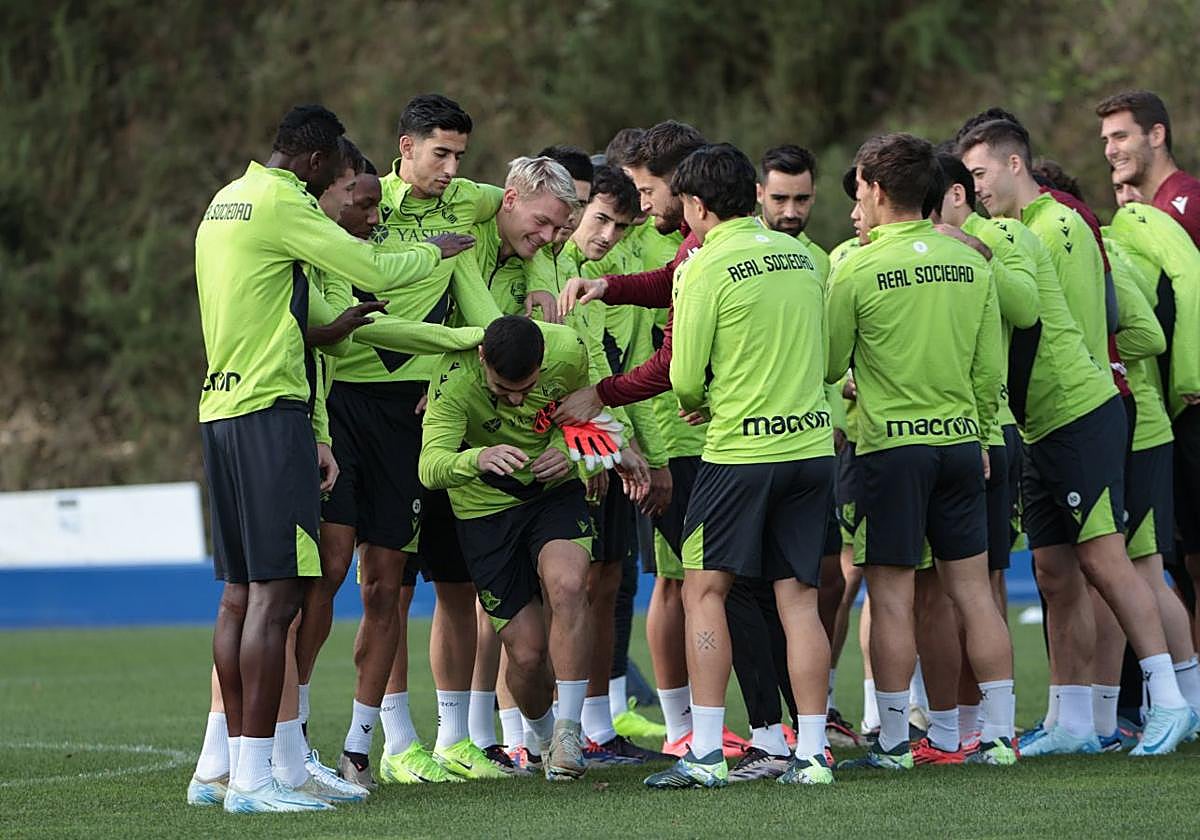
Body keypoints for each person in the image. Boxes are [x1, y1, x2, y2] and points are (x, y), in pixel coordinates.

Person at [194, 104, 472, 813]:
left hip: (225, 408)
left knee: (240, 594)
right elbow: (369, 263)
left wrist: (316, 426)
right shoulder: (283, 203)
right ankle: (254, 781)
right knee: (276, 594)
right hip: (267, 413)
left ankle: (237, 767)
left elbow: (292, 318)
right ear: (319, 163)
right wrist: (434, 252)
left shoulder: (227, 199)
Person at [959, 119, 1198, 755]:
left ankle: (1170, 703)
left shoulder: (1057, 221)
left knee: (1106, 560)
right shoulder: (1014, 230)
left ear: (1015, 164)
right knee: (1053, 570)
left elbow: (1080, 323)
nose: (976, 188)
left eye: (980, 174)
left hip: (1080, 413)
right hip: (1039, 422)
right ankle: (1072, 723)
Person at [642, 143, 836, 788]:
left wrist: (704, 402)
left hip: (740, 453)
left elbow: (685, 377)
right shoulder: (806, 259)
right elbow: (833, 361)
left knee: (704, 591)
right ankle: (809, 752)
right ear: (753, 194)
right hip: (811, 449)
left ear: (695, 206)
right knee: (798, 601)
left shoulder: (702, 266)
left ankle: (702, 749)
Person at [826, 133, 1016, 772]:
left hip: (891, 451)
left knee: (894, 597)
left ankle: (893, 744)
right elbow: (991, 369)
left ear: (876, 192)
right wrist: (984, 432)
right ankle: (997, 737)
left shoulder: (854, 265)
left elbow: (830, 361)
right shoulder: (972, 261)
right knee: (975, 594)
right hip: (964, 444)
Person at [418, 315, 643, 781]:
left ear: (544, 362)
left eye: (529, 386)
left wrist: (571, 447)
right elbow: (429, 465)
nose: (518, 398)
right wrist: (476, 457)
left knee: (568, 584)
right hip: (484, 510)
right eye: (504, 388)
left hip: (552, 497)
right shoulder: (454, 375)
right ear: (482, 358)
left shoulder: (569, 350)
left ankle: (568, 732)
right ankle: (542, 739)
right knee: (525, 655)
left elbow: (593, 416)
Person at [758, 144, 858, 753]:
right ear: (757, 197)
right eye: (780, 199)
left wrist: (838, 416)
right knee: (743, 588)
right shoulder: (732, 257)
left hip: (814, 442)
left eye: (802, 199)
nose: (792, 211)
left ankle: (812, 708)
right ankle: (757, 720)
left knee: (828, 580)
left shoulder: (820, 261)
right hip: (743, 447)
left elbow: (829, 357)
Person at [1099, 90, 1200, 643]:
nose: (1111, 149)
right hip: (1167, 411)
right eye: (1106, 140)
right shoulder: (1138, 212)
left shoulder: (1189, 201)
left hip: (1191, 402)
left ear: (1156, 134)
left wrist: (1192, 375)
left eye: (1121, 136)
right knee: (1183, 560)